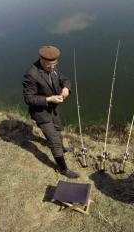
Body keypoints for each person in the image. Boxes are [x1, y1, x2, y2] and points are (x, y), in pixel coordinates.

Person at [23, 45, 79, 178]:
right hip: (41, 113)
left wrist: (66, 88)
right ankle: (63, 169)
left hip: (53, 109)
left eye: (55, 64)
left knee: (58, 129)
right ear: (42, 60)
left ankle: (62, 148)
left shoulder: (52, 67)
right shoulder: (31, 75)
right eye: (50, 65)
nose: (53, 67)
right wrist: (49, 99)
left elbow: (64, 79)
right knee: (53, 140)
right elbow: (29, 99)